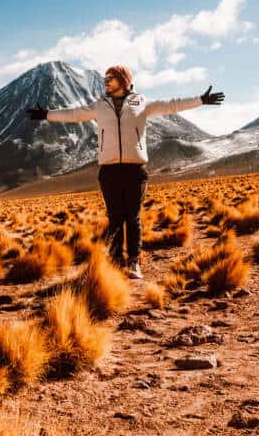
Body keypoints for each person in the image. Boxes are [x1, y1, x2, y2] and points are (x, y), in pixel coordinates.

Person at [25, 65, 224, 279]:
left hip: (134, 170)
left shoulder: (141, 102)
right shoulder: (100, 105)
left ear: (123, 80)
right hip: (109, 171)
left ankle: (134, 262)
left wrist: (200, 100)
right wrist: (47, 114)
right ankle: (117, 261)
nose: (106, 82)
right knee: (115, 219)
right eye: (105, 79)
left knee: (133, 217)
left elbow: (172, 105)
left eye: (110, 78)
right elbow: (74, 114)